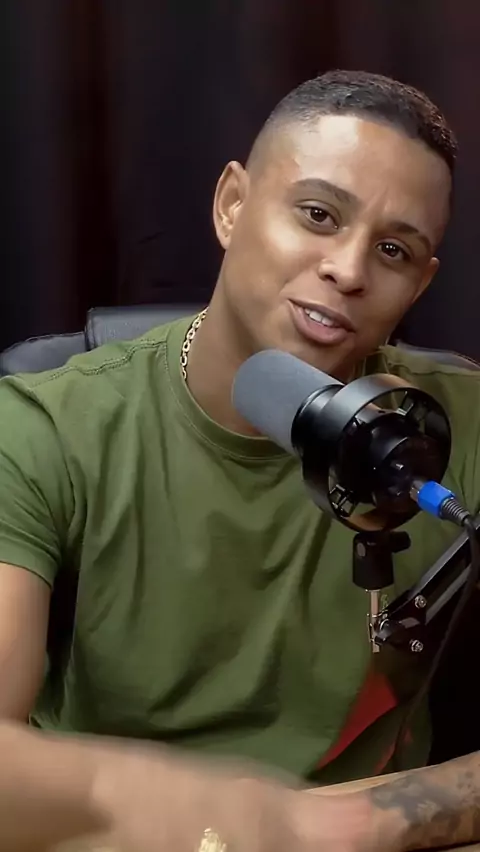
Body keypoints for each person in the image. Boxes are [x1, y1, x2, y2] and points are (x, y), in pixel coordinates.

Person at [0, 68, 479, 850]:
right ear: (232, 204)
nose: (349, 269)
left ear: (420, 282)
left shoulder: (459, 420)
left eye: (393, 250)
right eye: (318, 214)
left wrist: (338, 824)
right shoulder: (44, 424)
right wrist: (211, 815)